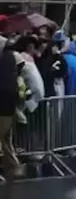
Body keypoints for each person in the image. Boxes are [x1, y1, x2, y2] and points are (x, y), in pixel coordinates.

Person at [0, 37, 21, 179]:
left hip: (3, 103)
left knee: (3, 136)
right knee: (6, 137)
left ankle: (13, 165)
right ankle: (12, 166)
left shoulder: (3, 61)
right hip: (10, 103)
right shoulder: (11, 60)